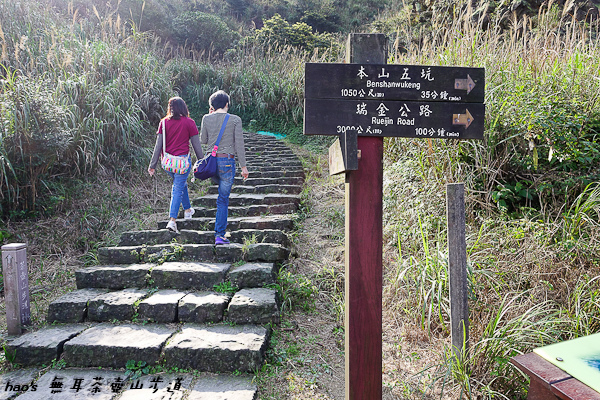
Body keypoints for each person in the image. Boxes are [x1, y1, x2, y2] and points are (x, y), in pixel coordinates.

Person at [148, 97, 204, 233]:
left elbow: (158, 146)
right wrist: (202, 161)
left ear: (170, 108)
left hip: (168, 164)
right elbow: (197, 146)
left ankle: (188, 210)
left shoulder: (163, 123)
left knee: (180, 184)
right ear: (184, 107)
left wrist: (152, 165)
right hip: (183, 164)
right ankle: (172, 220)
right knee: (177, 188)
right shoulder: (189, 123)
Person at [200, 90, 249, 245]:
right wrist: (244, 167)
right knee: (223, 199)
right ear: (227, 104)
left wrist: (209, 117)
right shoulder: (235, 120)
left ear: (212, 106)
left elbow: (203, 140)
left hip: (212, 164)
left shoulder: (206, 118)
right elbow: (239, 144)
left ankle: (220, 233)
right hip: (227, 162)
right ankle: (219, 235)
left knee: (220, 194)